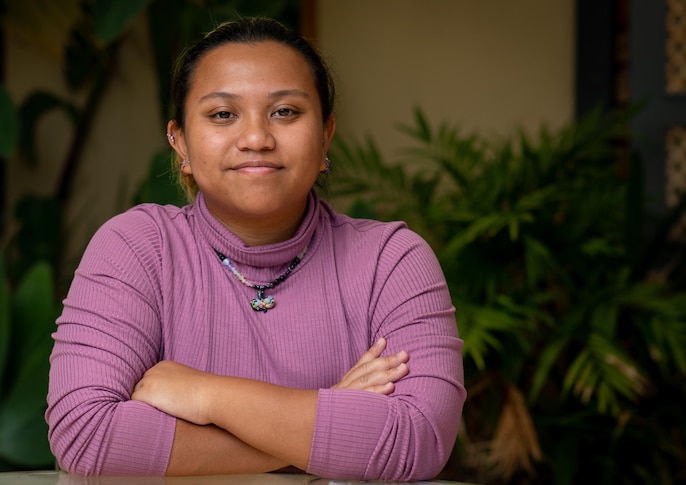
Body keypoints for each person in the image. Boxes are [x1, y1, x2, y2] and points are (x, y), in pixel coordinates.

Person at [46, 17, 465, 481]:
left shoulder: (392, 259)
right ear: (180, 140)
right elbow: (87, 438)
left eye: (285, 111)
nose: (256, 139)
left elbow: (418, 441)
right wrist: (328, 415)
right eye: (223, 114)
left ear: (326, 134)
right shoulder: (136, 248)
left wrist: (208, 395)